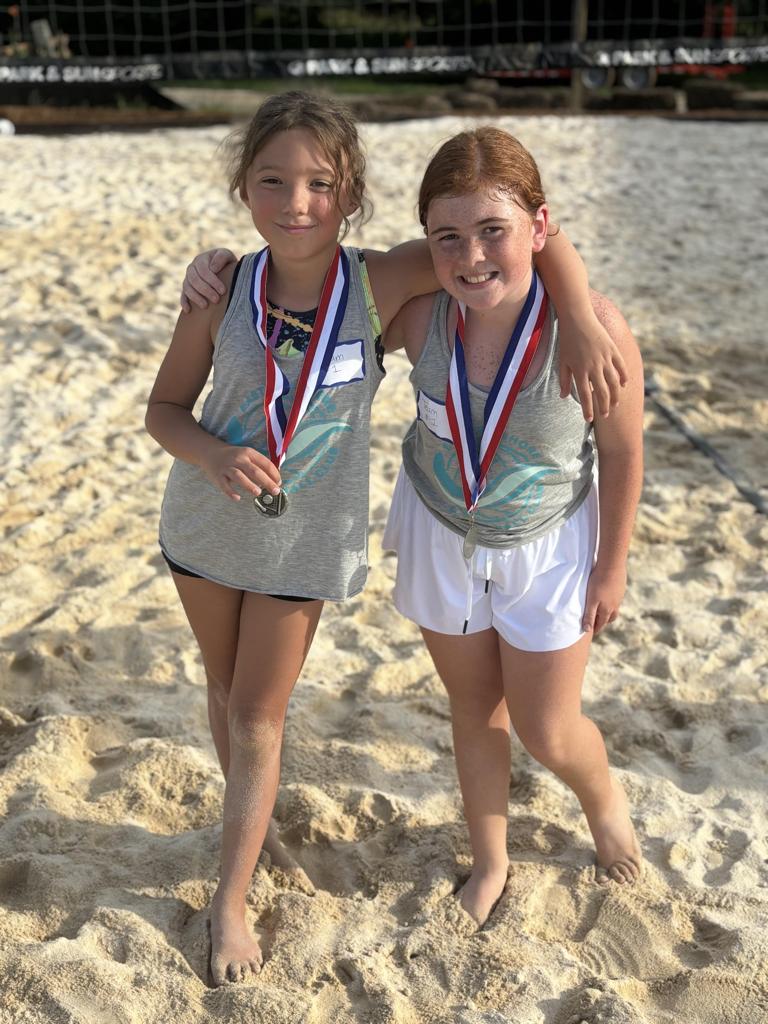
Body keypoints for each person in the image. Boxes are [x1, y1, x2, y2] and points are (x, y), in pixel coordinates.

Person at [149, 92, 626, 987]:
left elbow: (526, 232)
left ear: (352, 195)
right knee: (225, 691)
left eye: (319, 184)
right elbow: (163, 410)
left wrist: (580, 311)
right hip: (203, 527)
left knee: (256, 715)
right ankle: (255, 831)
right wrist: (210, 451)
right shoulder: (222, 289)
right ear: (244, 190)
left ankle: (230, 900)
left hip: (303, 544)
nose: (297, 202)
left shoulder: (384, 280)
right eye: (272, 182)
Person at [381, 126, 644, 927]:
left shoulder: (592, 328)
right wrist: (216, 269)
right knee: (474, 711)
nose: (471, 257)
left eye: (493, 230)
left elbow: (623, 450)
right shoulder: (419, 315)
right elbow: (312, 289)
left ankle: (603, 802)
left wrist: (611, 566)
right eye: (447, 237)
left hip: (550, 543)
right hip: (441, 530)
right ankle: (491, 859)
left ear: (539, 226)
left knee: (547, 729)